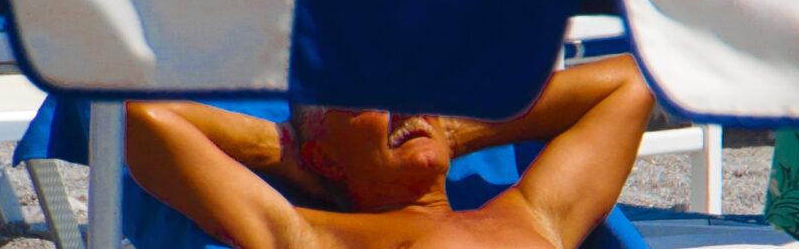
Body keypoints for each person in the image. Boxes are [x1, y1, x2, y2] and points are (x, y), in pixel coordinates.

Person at [125, 55, 655, 249]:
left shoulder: (535, 213)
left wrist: (454, 129)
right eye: (370, 100)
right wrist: (282, 148)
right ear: (325, 158)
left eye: (413, 95)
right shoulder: (307, 236)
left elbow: (631, 82)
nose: (406, 106)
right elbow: (141, 118)